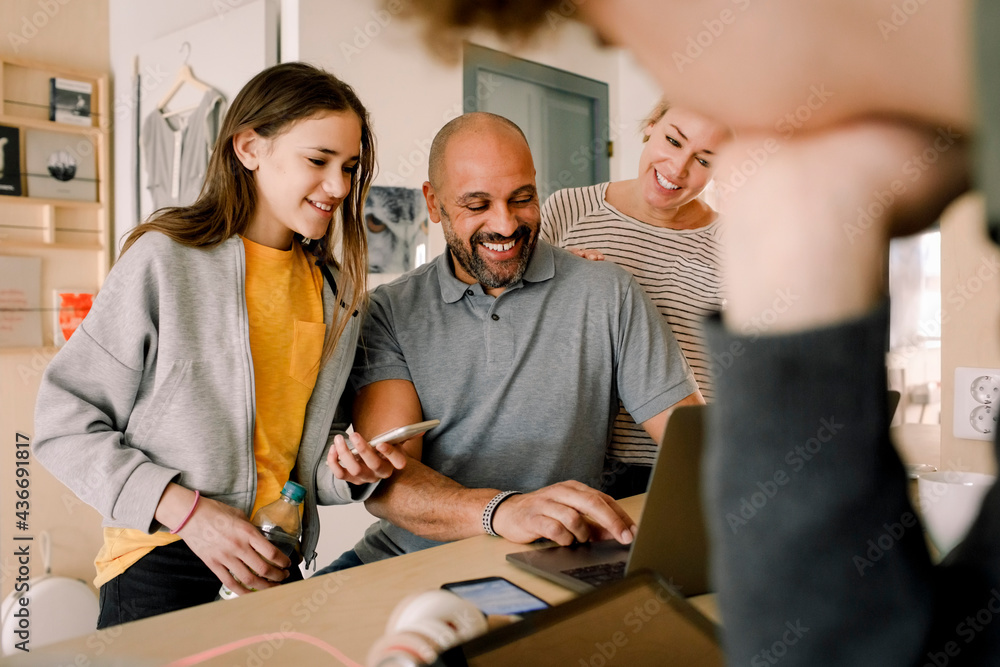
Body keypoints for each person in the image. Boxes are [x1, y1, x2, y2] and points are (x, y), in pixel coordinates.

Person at [398, 1, 1000, 665]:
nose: (692, 160)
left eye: (623, 28)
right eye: (677, 137)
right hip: (636, 470)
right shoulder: (564, 222)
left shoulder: (727, 234)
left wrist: (803, 243)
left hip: (708, 446)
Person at [32, 62, 406, 628]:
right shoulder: (164, 261)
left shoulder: (335, 293)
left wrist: (350, 468)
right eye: (318, 161)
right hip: (159, 562)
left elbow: (302, 451)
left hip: (272, 563)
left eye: (350, 167)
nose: (340, 187)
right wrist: (191, 514)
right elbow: (63, 424)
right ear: (250, 147)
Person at [315, 111, 703, 573]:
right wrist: (503, 511)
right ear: (433, 203)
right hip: (405, 558)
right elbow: (391, 485)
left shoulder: (606, 292)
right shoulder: (389, 310)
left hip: (549, 559)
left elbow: (694, 440)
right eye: (477, 205)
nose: (505, 225)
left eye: (522, 198)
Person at [541, 101, 732, 498]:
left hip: (679, 466)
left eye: (704, 159)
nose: (678, 168)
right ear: (651, 125)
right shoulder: (568, 210)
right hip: (570, 466)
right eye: (673, 140)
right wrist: (552, 290)